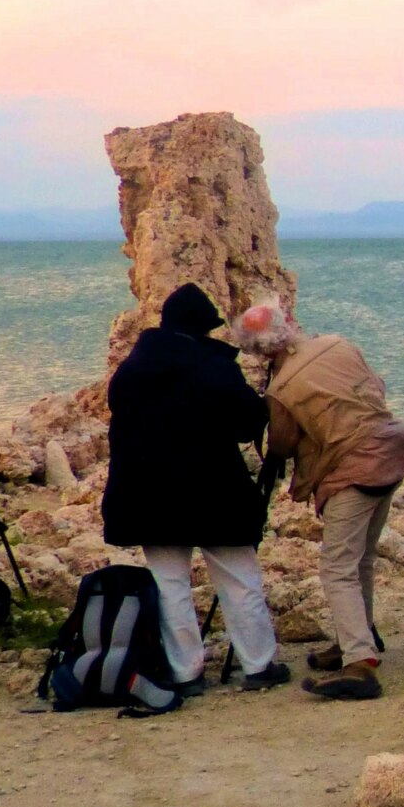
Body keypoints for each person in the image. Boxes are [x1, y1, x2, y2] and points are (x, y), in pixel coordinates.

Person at [235, 301, 404, 701]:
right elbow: (377, 387)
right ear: (287, 326)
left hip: (352, 470)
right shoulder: (339, 344)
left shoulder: (282, 389)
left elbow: (283, 445)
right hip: (394, 449)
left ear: (260, 351)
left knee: (337, 568)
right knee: (362, 559)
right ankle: (356, 640)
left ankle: (360, 664)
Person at [102, 283, 287, 692]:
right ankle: (258, 665)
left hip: (148, 495)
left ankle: (186, 672)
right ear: (203, 328)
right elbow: (245, 425)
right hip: (213, 492)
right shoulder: (213, 366)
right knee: (239, 580)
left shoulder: (131, 368)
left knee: (170, 586)